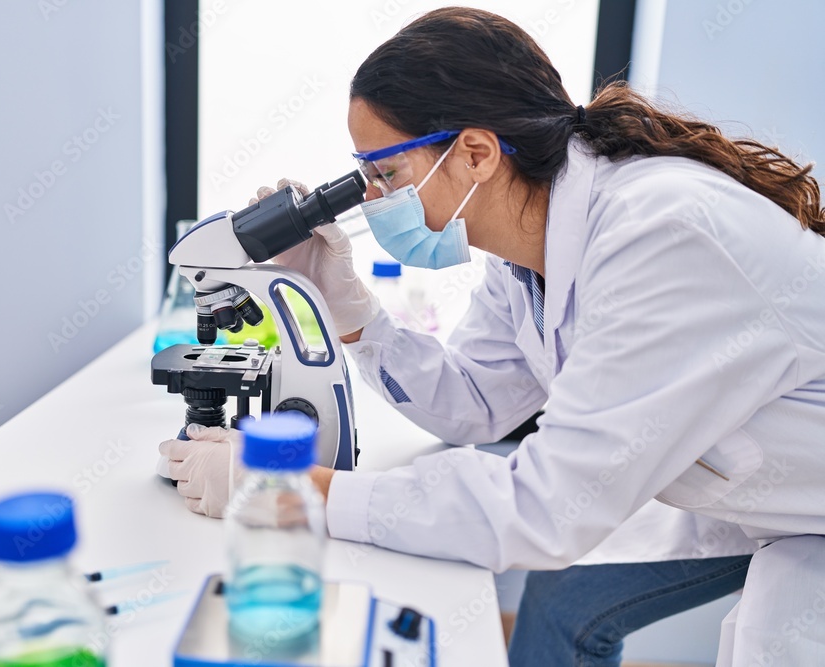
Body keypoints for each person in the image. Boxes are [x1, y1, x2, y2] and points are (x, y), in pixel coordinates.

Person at [159, 8, 825, 666]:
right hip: (759, 479)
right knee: (562, 597)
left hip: (804, 500)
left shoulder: (661, 236)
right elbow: (472, 404)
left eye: (384, 174)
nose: (373, 199)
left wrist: (295, 488)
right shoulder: (528, 249)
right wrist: (347, 308)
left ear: (475, 152)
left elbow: (544, 508)